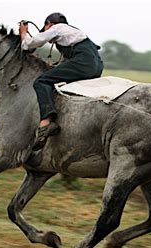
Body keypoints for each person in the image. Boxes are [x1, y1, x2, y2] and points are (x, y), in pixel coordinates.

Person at [19, 12, 104, 150]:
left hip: (83, 63)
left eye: (45, 27)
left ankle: (46, 123)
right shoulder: (74, 31)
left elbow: (28, 45)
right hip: (96, 66)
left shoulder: (56, 28)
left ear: (49, 24)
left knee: (41, 82)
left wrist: (24, 33)